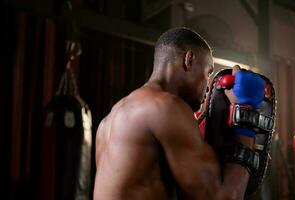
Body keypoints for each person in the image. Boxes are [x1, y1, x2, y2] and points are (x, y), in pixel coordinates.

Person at [93, 27, 259, 200]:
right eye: (208, 72)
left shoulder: (109, 119)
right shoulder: (167, 107)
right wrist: (245, 116)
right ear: (189, 60)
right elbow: (221, 197)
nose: (208, 85)